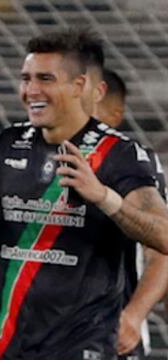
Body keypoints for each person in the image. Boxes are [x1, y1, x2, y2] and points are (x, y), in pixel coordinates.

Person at [0, 29, 168, 359]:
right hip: (7, 345)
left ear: (79, 87)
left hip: (88, 344)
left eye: (45, 79)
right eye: (25, 78)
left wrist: (103, 197)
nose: (31, 90)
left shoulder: (120, 154)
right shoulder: (4, 144)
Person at [92, 68, 168, 359]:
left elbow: (162, 250)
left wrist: (134, 316)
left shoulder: (134, 167)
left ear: (115, 115)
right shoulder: (32, 158)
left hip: (108, 338)